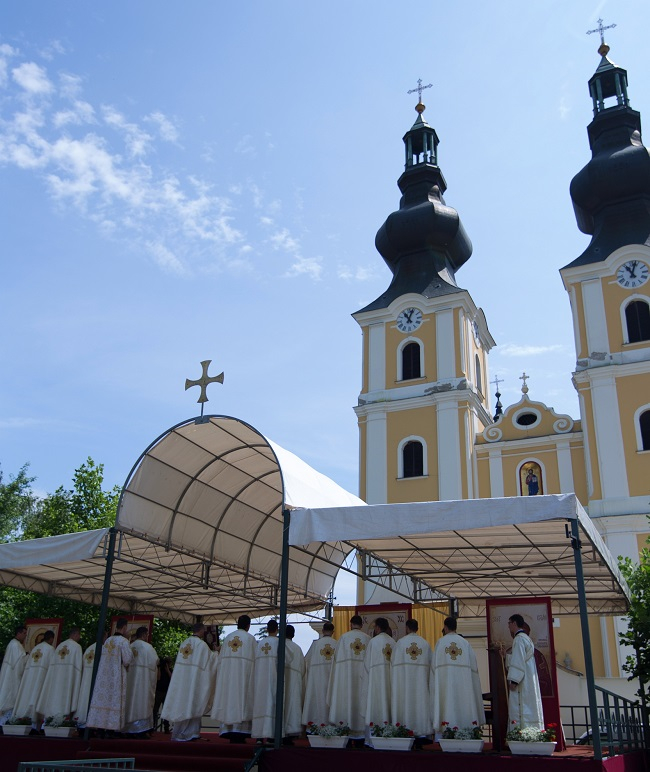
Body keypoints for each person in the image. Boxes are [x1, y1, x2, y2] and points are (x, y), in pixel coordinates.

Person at [161, 623, 217, 742]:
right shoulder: (201, 645)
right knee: (193, 704)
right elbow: (211, 662)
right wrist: (217, 653)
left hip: (182, 682)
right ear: (202, 631)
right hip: (194, 682)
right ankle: (190, 734)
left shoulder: (184, 643)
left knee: (181, 705)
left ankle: (179, 733)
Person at [431, 616, 485, 736]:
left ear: (445, 627)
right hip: (463, 685)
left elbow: (434, 668)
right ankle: (467, 731)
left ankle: (447, 732)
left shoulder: (441, 642)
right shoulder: (465, 643)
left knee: (446, 705)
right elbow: (474, 668)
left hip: (445, 685)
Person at [212, 614, 256, 743]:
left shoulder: (228, 638)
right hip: (243, 677)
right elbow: (256, 661)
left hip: (228, 678)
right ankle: (240, 730)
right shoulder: (250, 639)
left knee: (229, 699)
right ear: (248, 625)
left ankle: (228, 729)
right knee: (241, 700)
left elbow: (220, 661)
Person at [86, 618, 134, 734]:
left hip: (104, 675)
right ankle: (111, 729)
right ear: (124, 628)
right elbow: (127, 660)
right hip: (116, 675)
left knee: (104, 700)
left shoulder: (107, 641)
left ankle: (101, 728)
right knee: (114, 700)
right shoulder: (123, 641)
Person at [327, 615, 370, 743]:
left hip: (346, 681)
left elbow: (336, 665)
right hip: (363, 682)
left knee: (347, 702)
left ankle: (346, 735)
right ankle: (362, 737)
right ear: (362, 625)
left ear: (350, 624)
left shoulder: (344, 638)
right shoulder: (368, 639)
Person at [251, 619, 294, 743]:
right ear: (277, 629)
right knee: (274, 705)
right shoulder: (279, 643)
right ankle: (272, 736)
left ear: (266, 629)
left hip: (260, 681)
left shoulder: (260, 644)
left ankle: (259, 736)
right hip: (274, 679)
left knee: (261, 705)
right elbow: (289, 659)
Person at [390, 618, 432, 740]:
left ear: (407, 628)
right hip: (421, 685)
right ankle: (422, 733)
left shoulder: (400, 643)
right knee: (420, 704)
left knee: (405, 705)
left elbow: (393, 665)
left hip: (404, 684)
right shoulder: (425, 644)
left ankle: (404, 731)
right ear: (417, 628)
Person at [36, 627, 83, 721]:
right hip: (68, 679)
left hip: (55, 680)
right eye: (79, 636)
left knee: (54, 696)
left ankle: (49, 720)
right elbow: (78, 667)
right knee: (65, 698)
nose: (79, 638)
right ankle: (62, 720)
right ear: (75, 634)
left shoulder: (59, 646)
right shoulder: (77, 647)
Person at [13, 630, 55, 732]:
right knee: (38, 698)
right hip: (41, 678)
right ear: (51, 639)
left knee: (29, 697)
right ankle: (36, 727)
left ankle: (26, 723)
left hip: (29, 679)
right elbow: (52, 667)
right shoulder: (50, 649)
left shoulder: (35, 648)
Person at [507, 614, 543, 730]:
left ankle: (521, 733)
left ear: (514, 623)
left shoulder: (519, 639)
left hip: (522, 680)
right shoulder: (527, 638)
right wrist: (506, 657)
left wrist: (514, 680)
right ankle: (533, 732)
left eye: (509, 623)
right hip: (529, 677)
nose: (508, 626)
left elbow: (518, 661)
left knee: (521, 706)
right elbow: (522, 658)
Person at [360, 618, 394, 740]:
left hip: (375, 681)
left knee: (375, 706)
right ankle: (389, 735)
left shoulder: (373, 642)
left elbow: (367, 665)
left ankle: (373, 738)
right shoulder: (393, 642)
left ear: (378, 628)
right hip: (389, 682)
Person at [123, 626, 158, 736]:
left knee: (128, 701)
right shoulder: (148, 647)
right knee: (141, 702)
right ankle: (140, 729)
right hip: (142, 682)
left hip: (129, 681)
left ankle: (126, 728)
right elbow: (155, 661)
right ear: (144, 635)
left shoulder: (129, 646)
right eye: (147, 635)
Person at [302, 621, 337, 727]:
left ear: (322, 631)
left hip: (317, 680)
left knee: (317, 700)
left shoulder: (316, 645)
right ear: (333, 632)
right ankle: (331, 725)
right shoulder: (337, 644)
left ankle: (316, 724)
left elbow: (306, 661)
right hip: (332, 680)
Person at [76, 632, 107, 730]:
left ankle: (81, 723)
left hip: (85, 680)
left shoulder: (89, 649)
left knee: (84, 699)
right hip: (98, 681)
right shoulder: (103, 649)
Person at [0, 625, 28, 725]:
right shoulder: (16, 645)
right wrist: (28, 657)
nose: (25, 636)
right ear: (19, 633)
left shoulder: (12, 644)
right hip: (13, 677)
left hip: (8, 674)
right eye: (24, 633)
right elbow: (20, 663)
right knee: (10, 698)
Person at [283, 625, 305, 743]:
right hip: (294, 684)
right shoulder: (297, 648)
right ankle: (291, 734)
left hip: (281, 683)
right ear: (293, 635)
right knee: (291, 707)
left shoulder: (279, 646)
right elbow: (303, 668)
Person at [154, 657, 173, 733]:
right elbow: (158, 678)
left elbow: (172, 678)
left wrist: (167, 670)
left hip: (166, 693)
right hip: (158, 692)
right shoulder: (159, 670)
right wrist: (159, 668)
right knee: (155, 710)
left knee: (166, 711)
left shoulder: (170, 670)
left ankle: (166, 727)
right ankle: (153, 726)